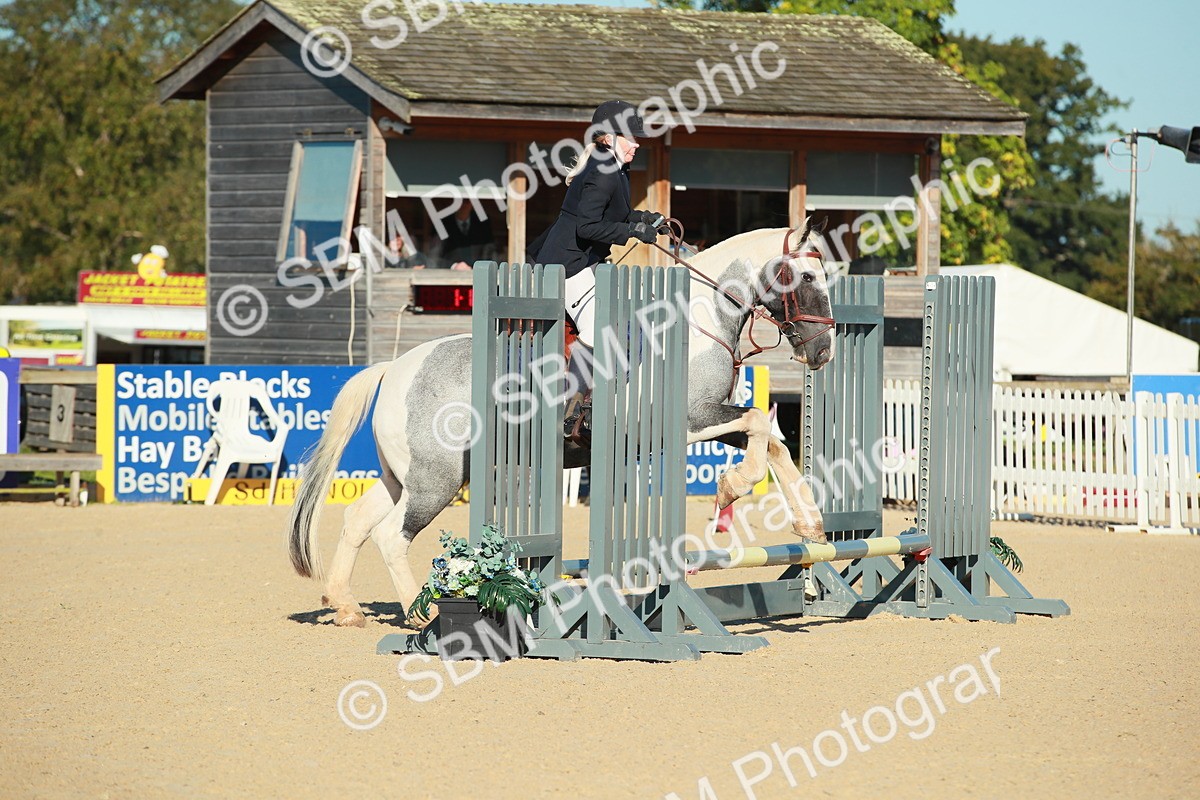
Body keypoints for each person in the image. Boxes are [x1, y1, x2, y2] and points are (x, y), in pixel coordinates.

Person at [527, 100, 666, 439]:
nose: (636, 144)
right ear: (608, 137)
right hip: (567, 263)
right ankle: (571, 406)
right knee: (597, 325)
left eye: (637, 138)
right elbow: (588, 228)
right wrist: (633, 233)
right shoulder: (605, 169)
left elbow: (613, 216)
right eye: (630, 138)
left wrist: (644, 220)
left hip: (580, 260)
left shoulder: (614, 166)